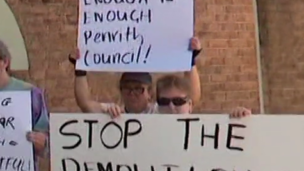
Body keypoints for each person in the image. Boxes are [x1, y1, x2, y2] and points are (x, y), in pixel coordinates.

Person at [69, 37, 203, 116]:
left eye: (138, 88)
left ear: (149, 93)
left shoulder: (159, 110)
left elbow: (192, 96)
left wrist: (190, 60)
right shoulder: (115, 112)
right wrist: (79, 69)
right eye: (127, 88)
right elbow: (86, 104)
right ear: (120, 91)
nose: (132, 93)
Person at [109, 73, 251, 118]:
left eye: (178, 101)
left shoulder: (202, 133)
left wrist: (239, 117)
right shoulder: (150, 119)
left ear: (189, 105)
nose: (171, 106)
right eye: (164, 101)